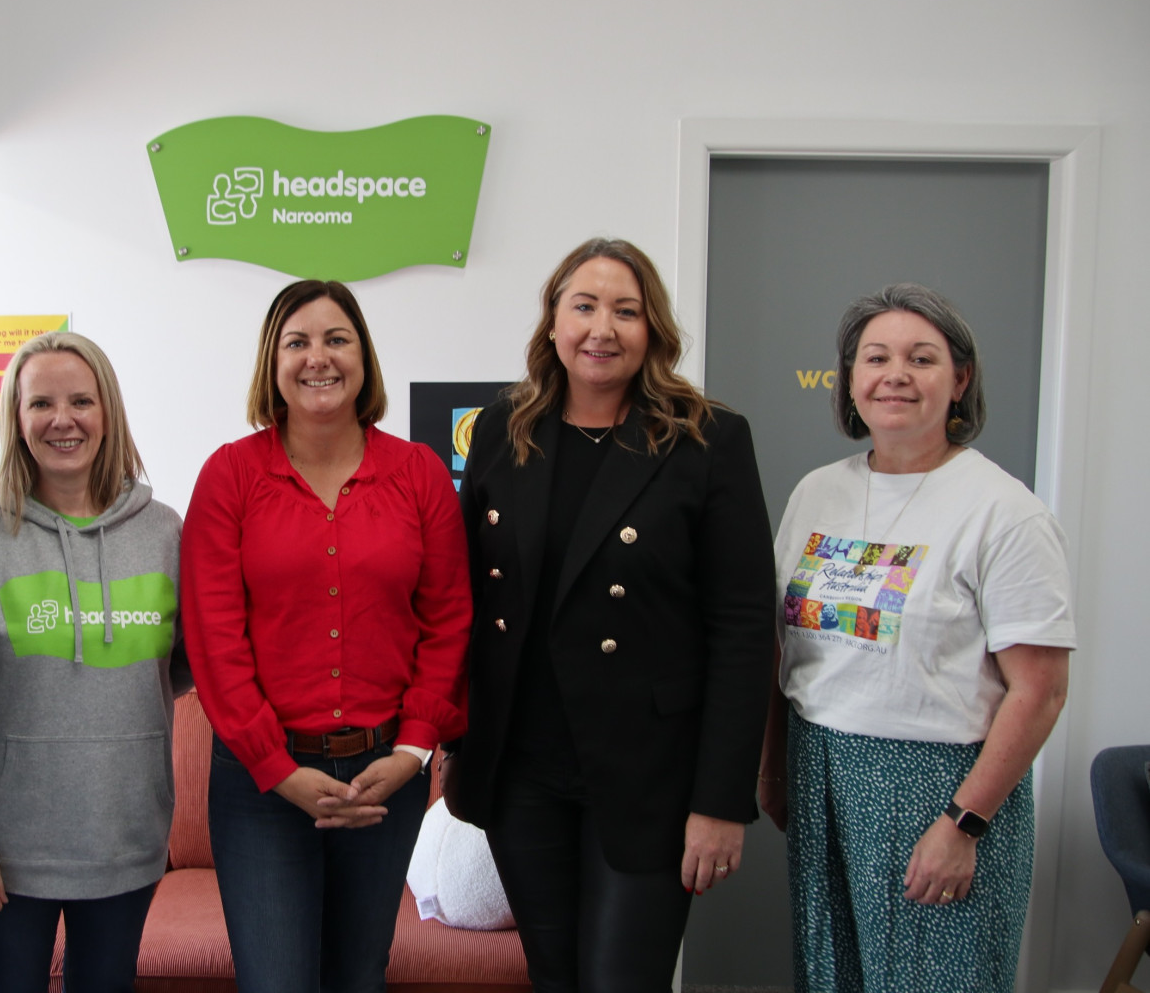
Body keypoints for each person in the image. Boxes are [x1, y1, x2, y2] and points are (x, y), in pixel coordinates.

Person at [447, 238, 777, 993]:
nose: (603, 328)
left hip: (650, 776)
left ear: (652, 329)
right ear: (554, 323)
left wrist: (721, 800)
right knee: (554, 978)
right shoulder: (505, 429)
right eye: (584, 306)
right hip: (524, 771)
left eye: (626, 311)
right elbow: (468, 596)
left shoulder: (708, 439)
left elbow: (744, 629)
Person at [757, 284, 1073, 993]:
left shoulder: (1004, 512)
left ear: (959, 380)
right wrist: (773, 766)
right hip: (821, 770)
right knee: (829, 974)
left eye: (921, 358)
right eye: (876, 357)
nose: (894, 374)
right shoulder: (816, 493)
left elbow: (1041, 689)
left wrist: (963, 824)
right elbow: (781, 650)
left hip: (943, 787)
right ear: (849, 381)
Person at [180, 280, 471, 993]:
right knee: (276, 982)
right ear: (271, 363)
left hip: (384, 777)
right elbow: (215, 642)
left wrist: (412, 752)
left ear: (363, 358)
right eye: (298, 342)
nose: (319, 358)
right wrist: (277, 769)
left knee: (358, 979)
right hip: (262, 788)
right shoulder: (229, 476)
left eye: (337, 339)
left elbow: (449, 620)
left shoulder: (420, 474)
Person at [0, 331, 186, 993]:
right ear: (15, 418)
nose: (62, 419)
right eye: (41, 403)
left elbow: (182, 664)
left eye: (81, 401)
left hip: (126, 838)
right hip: (9, 851)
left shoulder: (163, 532)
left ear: (109, 413)